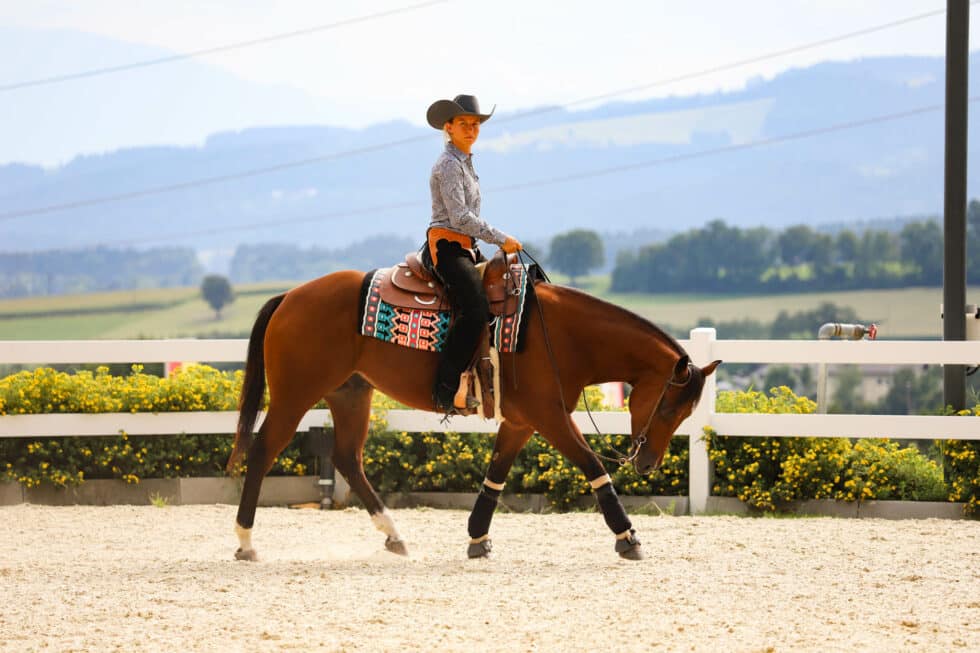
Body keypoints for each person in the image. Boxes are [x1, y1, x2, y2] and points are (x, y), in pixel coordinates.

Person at [424, 94, 522, 413]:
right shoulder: (449, 165)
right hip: (448, 247)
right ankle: (446, 390)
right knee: (476, 309)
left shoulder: (465, 163)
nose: (471, 129)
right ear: (448, 127)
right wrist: (501, 238)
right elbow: (460, 218)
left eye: (475, 124)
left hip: (466, 246)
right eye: (464, 123)